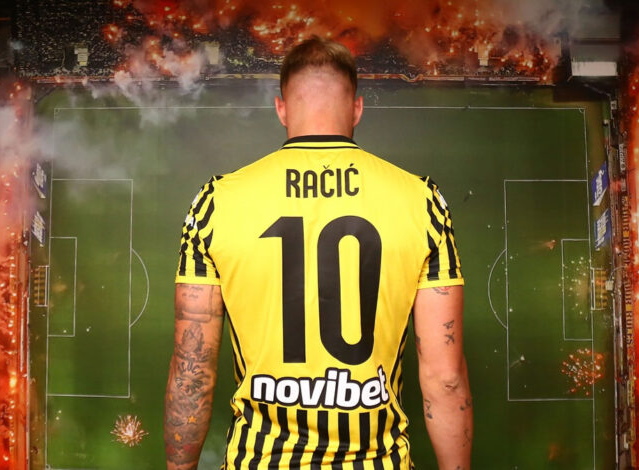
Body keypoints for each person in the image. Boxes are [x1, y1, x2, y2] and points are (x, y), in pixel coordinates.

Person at [165, 36, 472, 470]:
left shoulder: (215, 203)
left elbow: (191, 373)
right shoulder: (422, 202)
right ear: (357, 109)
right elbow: (446, 379)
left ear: (281, 109)